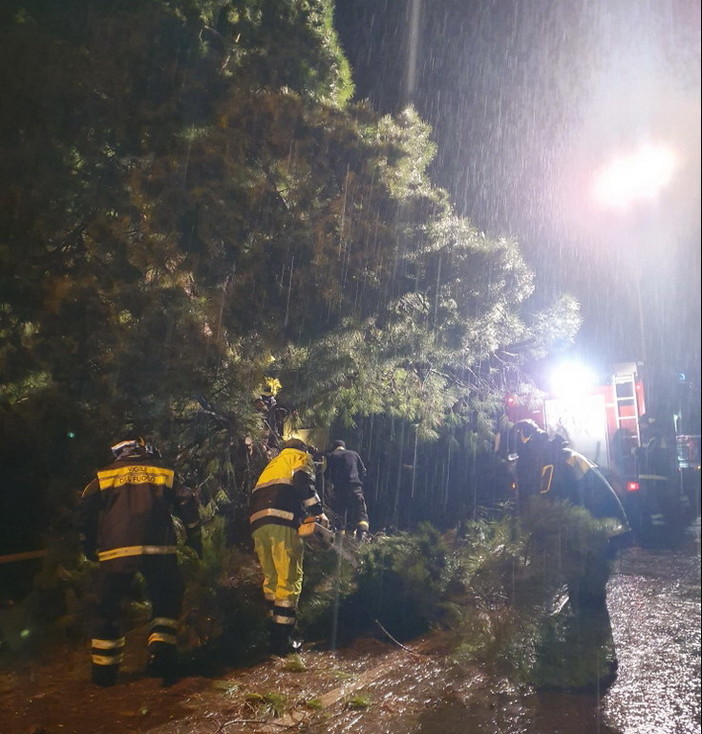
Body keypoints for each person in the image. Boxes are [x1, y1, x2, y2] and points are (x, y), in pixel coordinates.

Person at [78, 438, 202, 687]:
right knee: (167, 596)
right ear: (144, 451)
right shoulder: (162, 472)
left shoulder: (103, 477)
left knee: (108, 606)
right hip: (159, 547)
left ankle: (104, 674)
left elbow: (85, 509)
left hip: (116, 550)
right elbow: (186, 500)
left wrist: (89, 544)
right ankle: (161, 651)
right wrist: (194, 536)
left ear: (119, 455)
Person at [509, 419, 631, 611]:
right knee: (588, 587)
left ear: (528, 444)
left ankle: (593, 635)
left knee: (585, 591)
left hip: (598, 528)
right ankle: (595, 633)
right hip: (605, 525)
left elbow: (548, 503)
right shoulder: (559, 455)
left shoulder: (552, 461)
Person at [249, 438, 328, 656]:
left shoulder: (273, 464)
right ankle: (283, 640)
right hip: (282, 521)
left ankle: (271, 632)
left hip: (258, 524)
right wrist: (317, 512)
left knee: (271, 579)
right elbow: (303, 484)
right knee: (289, 580)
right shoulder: (299, 457)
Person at [323, 440, 370, 541]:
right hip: (355, 488)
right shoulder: (354, 454)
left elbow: (327, 475)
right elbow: (363, 472)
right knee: (360, 512)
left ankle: (339, 542)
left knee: (340, 515)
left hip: (340, 490)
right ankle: (363, 536)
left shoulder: (332, 456)